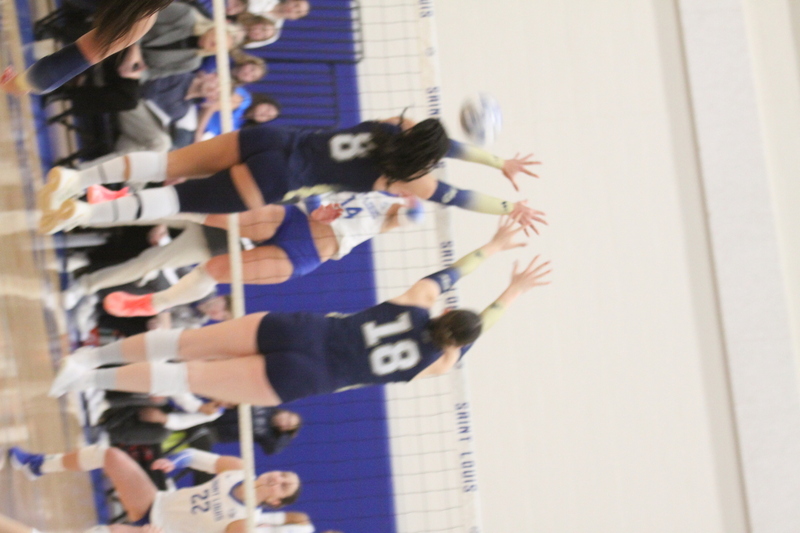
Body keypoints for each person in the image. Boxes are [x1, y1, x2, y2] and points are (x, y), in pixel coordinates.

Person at [48, 216, 551, 406]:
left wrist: (495, 247)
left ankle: (88, 358)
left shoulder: (421, 301)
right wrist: (512, 298)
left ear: (446, 312)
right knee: (189, 377)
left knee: (187, 343)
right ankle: (85, 382)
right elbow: (474, 331)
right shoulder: (441, 364)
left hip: (304, 330)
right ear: (459, 344)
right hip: (311, 374)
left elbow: (449, 277)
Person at [37, 117, 544, 234]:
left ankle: (73, 180)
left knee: (167, 163)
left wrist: (499, 162)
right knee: (175, 202)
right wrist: (507, 206)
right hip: (278, 179)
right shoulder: (408, 179)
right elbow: (455, 196)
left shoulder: (396, 128)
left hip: (276, 139)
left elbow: (443, 142)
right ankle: (83, 212)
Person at [63, 191, 423, 317]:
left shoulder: (396, 210)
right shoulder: (373, 183)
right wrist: (319, 208)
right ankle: (114, 201)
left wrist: (414, 207)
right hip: (293, 217)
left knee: (214, 270)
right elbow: (324, 197)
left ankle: (153, 303)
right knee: (196, 208)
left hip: (304, 251)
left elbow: (405, 217)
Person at [6, 445, 301, 533]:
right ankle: (38, 465)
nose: (279, 479)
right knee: (111, 456)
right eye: (284, 474)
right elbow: (194, 456)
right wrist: (175, 460)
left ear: (276, 501)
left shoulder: (243, 523)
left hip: (160, 532)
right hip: (154, 502)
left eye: (284, 486)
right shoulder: (238, 468)